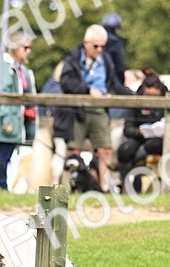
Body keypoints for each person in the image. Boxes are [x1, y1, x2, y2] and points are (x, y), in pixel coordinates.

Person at [54, 24, 130, 192]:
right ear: (85, 43)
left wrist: (127, 95)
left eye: (103, 46)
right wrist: (87, 90)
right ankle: (69, 188)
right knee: (74, 151)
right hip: (77, 110)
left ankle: (104, 188)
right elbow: (66, 82)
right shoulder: (73, 58)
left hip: (100, 110)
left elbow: (114, 84)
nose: (99, 49)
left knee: (105, 149)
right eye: (96, 46)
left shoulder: (106, 60)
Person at [0, 32, 37, 190]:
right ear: (14, 48)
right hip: (8, 121)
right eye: (25, 47)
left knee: (6, 158)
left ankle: (2, 189)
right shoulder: (4, 65)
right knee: (1, 159)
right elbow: (3, 93)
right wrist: (6, 119)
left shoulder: (21, 68)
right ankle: (0, 189)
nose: (28, 51)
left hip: (18, 121)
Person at [115, 73, 169, 180]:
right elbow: (128, 129)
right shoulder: (136, 101)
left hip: (160, 140)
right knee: (124, 149)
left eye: (154, 96)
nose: (151, 100)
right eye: (147, 96)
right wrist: (139, 132)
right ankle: (126, 185)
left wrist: (167, 128)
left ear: (160, 90)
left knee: (154, 144)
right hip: (139, 137)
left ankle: (133, 162)